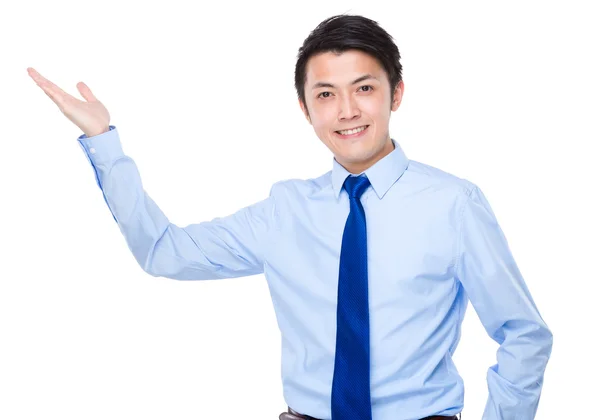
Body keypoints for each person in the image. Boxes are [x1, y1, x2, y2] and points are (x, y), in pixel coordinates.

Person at [27, 13, 552, 420]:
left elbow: (523, 333)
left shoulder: (453, 204)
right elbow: (163, 252)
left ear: (397, 93)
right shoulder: (285, 210)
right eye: (326, 94)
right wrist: (103, 142)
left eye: (364, 88)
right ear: (305, 108)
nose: (346, 111)